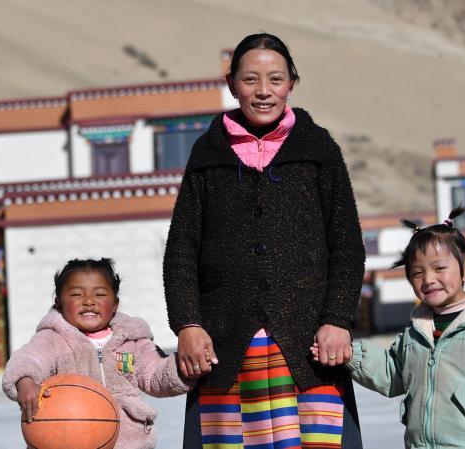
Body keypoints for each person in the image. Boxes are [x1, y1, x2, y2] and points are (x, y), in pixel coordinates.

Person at [163, 33, 365, 448]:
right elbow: (181, 250)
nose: (263, 91)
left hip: (310, 346)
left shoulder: (318, 150)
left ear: (291, 83)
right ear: (232, 84)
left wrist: (337, 319)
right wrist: (187, 324)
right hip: (224, 347)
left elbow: (346, 245)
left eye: (275, 79)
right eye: (250, 79)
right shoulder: (207, 155)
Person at [317, 207, 465, 449]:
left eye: (439, 268)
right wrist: (349, 352)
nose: (428, 279)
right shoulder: (416, 333)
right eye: (418, 272)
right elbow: (392, 374)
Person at [2, 258, 191, 449]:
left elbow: (156, 374)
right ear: (58, 303)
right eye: (76, 294)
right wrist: (25, 380)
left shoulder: (132, 340)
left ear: (115, 304)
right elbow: (28, 359)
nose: (89, 301)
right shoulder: (51, 339)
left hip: (130, 443)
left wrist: (185, 366)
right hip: (66, 440)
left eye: (100, 294)